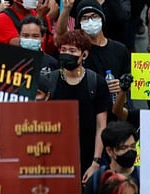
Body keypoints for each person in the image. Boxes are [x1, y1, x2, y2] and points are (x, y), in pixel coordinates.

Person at [47, 29, 110, 183]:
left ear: (84, 55)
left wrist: (95, 163)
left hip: (87, 157)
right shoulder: (49, 81)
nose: (66, 53)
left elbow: (101, 125)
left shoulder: (96, 82)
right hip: (55, 158)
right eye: (63, 50)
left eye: (72, 50)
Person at [87, 121, 139, 193]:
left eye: (133, 146)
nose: (130, 151)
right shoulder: (96, 180)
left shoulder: (144, 177)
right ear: (109, 151)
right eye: (124, 147)